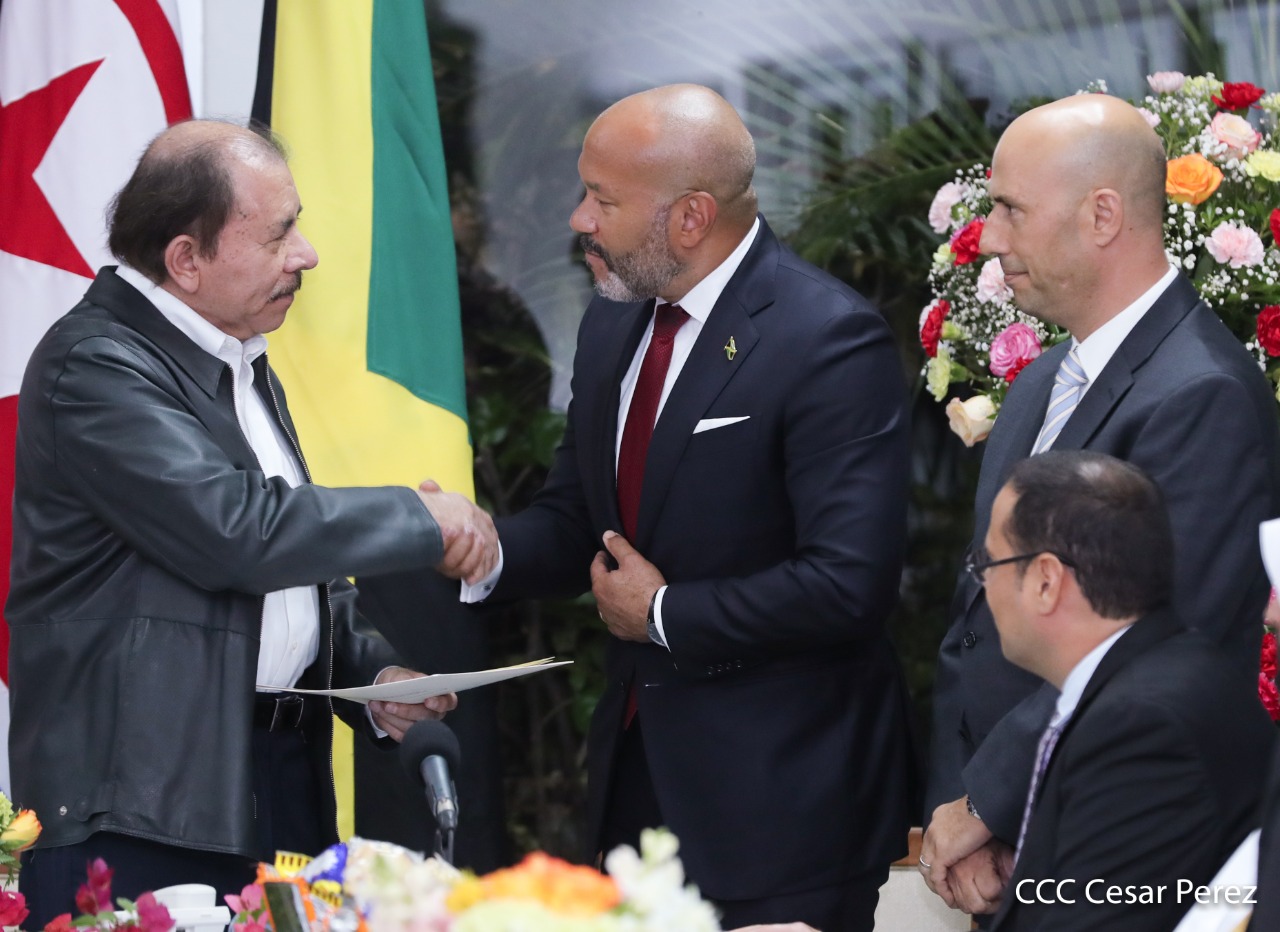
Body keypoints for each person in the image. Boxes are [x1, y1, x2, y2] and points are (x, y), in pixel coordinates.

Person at [7, 120, 499, 925]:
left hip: (274, 781)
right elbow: (236, 533)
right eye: (278, 235)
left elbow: (287, 578)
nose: (306, 255)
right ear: (186, 260)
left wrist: (374, 680)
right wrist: (421, 515)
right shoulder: (95, 364)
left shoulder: (235, 358)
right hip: (143, 809)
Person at [462, 84, 914, 929]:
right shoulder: (613, 325)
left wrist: (664, 613)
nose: (578, 220)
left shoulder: (826, 338)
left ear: (691, 217)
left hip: (782, 813)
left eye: (601, 200)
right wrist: (479, 551)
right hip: (637, 792)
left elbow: (849, 584)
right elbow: (580, 523)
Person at [921, 93, 1280, 915]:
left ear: (1103, 215)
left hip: (1117, 834)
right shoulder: (1041, 382)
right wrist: (964, 809)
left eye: (1011, 209)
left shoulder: (1203, 393)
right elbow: (978, 619)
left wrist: (990, 803)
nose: (992, 238)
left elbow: (1169, 639)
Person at [973, 450, 1274, 929]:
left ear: (1046, 581)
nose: (984, 581)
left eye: (990, 562)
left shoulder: (1141, 726)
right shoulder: (1169, 676)